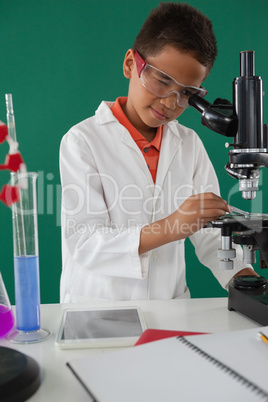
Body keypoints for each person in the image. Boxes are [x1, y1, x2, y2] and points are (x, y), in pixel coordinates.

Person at [59, 2, 257, 303]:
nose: (170, 101)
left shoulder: (188, 144)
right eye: (162, 80)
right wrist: (173, 225)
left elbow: (212, 235)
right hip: (97, 312)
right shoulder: (82, 141)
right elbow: (85, 242)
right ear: (130, 64)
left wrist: (252, 288)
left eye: (187, 93)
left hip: (171, 310)